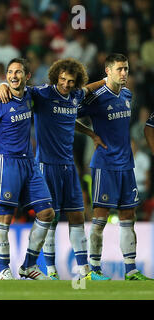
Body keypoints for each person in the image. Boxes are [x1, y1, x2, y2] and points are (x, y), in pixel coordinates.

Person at [0, 58, 108, 280]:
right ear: (56, 77)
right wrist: (3, 85)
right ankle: (50, 269)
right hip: (45, 165)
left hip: (69, 166)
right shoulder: (42, 94)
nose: (66, 84)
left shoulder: (75, 96)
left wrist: (106, 80)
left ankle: (84, 272)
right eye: (63, 80)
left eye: (70, 81)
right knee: (51, 218)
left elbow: (73, 112)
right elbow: (18, 87)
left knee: (77, 215)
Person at [77, 53, 153, 280]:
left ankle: (130, 270)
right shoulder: (96, 97)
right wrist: (91, 134)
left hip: (126, 165)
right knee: (100, 218)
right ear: (107, 71)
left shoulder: (128, 94)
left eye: (126, 69)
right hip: (105, 165)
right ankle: (94, 270)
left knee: (129, 217)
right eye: (119, 69)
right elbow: (69, 115)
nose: (124, 73)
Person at [0, 58, 55, 280]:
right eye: (10, 72)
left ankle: (28, 266)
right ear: (5, 76)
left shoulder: (31, 95)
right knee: (5, 217)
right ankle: (4, 269)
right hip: (7, 162)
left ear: (27, 76)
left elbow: (56, 88)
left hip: (30, 163)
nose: (13, 76)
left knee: (47, 213)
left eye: (19, 72)